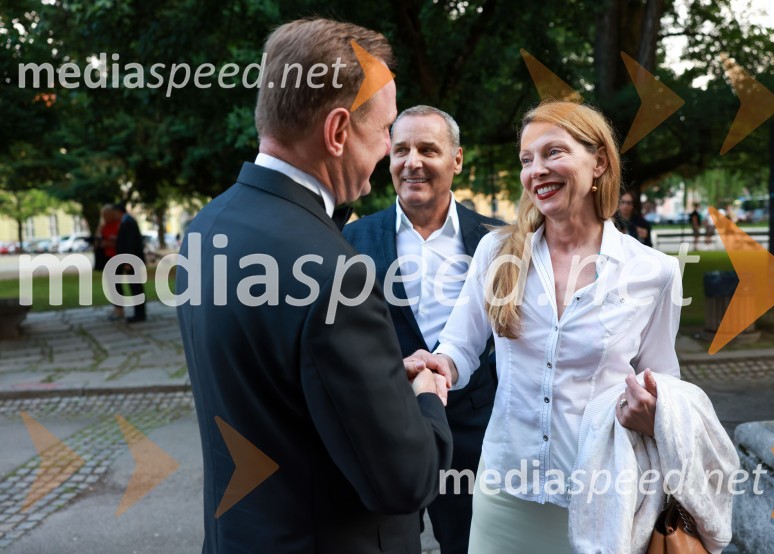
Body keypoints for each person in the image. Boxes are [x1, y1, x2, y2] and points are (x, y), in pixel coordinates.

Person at [176, 19, 453, 554]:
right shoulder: (335, 273)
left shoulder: (206, 229)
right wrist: (423, 398)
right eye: (385, 130)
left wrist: (377, 381)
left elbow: (275, 384)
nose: (387, 151)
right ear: (338, 131)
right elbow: (406, 480)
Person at [433, 100, 682, 551]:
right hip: (504, 491)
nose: (537, 171)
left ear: (599, 161)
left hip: (601, 496)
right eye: (527, 159)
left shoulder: (653, 271)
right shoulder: (496, 253)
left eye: (553, 152)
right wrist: (437, 367)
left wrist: (654, 412)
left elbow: (663, 380)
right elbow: (459, 346)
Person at [343, 105, 501, 554]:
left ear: (456, 159)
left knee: (469, 544)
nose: (412, 162)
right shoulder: (351, 240)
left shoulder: (497, 239)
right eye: (401, 150)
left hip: (473, 428)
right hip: (386, 426)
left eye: (428, 150)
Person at [113, 203, 146, 323]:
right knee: (135, 287)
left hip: (132, 261)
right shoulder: (127, 221)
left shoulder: (128, 222)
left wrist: (128, 260)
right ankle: (139, 313)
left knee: (136, 287)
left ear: (118, 211)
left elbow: (131, 242)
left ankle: (140, 314)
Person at [98, 204, 123, 320]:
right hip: (107, 258)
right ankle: (116, 307)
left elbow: (120, 242)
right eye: (104, 215)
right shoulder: (104, 226)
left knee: (117, 284)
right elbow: (98, 239)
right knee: (111, 284)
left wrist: (108, 243)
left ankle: (120, 310)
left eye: (107, 214)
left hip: (117, 258)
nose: (105, 217)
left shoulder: (119, 224)